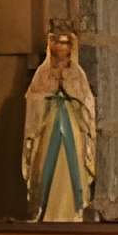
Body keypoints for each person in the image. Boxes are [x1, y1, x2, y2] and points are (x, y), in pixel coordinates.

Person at [21, 26, 96, 222]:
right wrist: (49, 92)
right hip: (49, 124)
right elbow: (33, 98)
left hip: (71, 124)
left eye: (65, 43)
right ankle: (43, 210)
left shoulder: (77, 73)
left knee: (73, 166)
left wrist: (70, 91)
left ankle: (73, 212)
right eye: (57, 42)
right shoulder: (42, 73)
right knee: (44, 165)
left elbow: (86, 101)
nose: (61, 47)